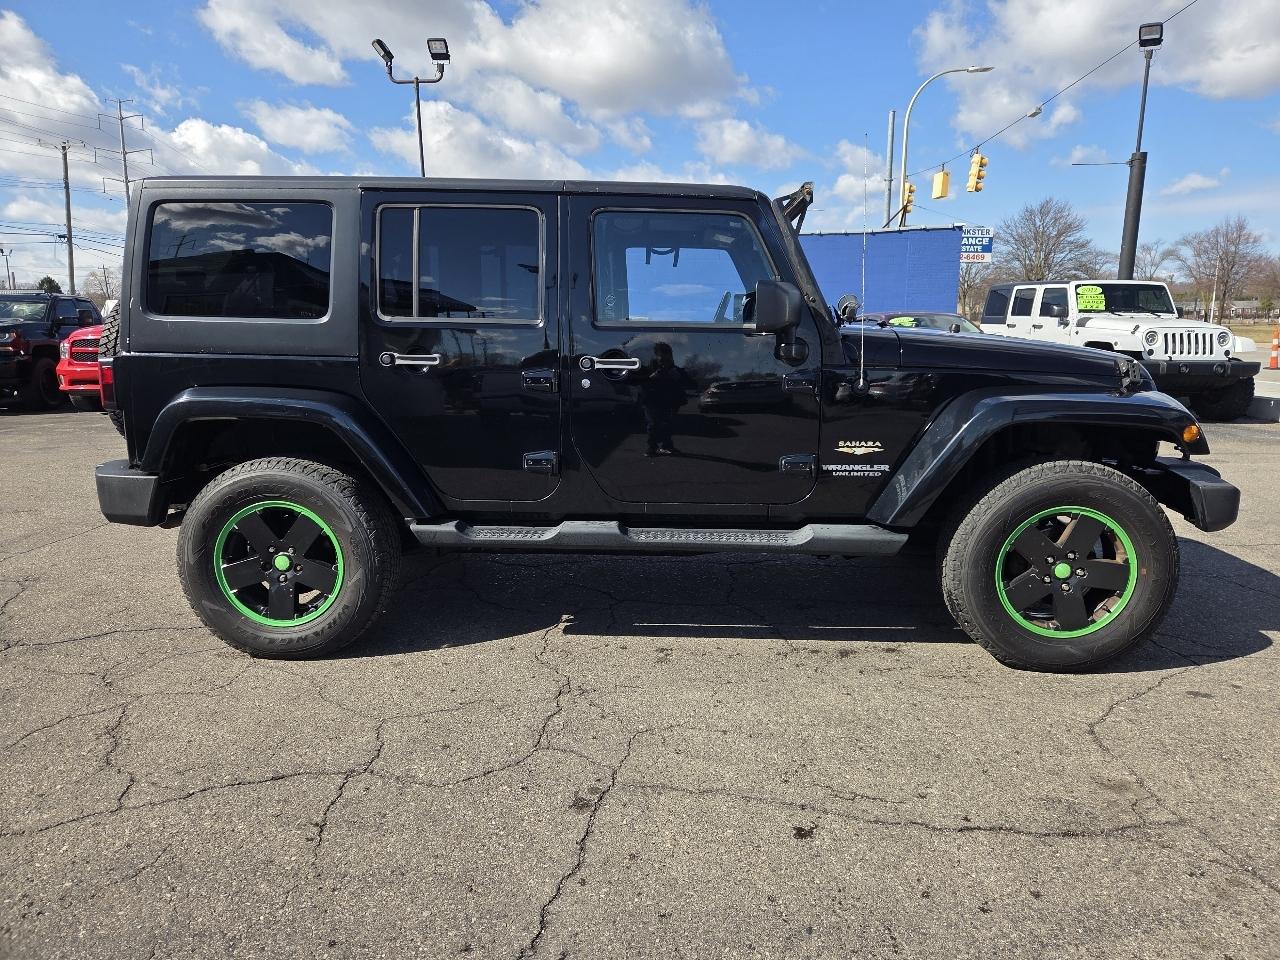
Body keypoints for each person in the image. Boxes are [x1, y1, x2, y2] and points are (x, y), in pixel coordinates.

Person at [636, 341, 689, 456]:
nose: (664, 358)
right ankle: (652, 448)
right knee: (653, 424)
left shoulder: (675, 369)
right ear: (656, 355)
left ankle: (666, 446)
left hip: (668, 401)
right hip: (651, 401)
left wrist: (679, 377)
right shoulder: (650, 368)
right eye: (661, 354)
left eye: (667, 354)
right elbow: (639, 381)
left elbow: (689, 383)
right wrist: (651, 377)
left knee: (667, 424)